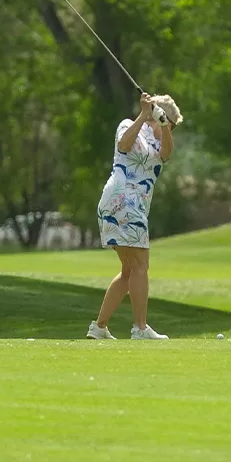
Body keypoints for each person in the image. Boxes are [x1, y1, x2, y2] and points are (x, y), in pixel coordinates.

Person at [88, 92, 181, 341]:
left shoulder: (160, 143)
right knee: (141, 266)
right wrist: (143, 114)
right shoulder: (129, 125)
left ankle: (99, 327)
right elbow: (123, 145)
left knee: (129, 270)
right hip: (122, 201)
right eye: (170, 124)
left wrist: (164, 125)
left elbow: (166, 154)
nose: (169, 129)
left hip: (133, 206)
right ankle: (140, 328)